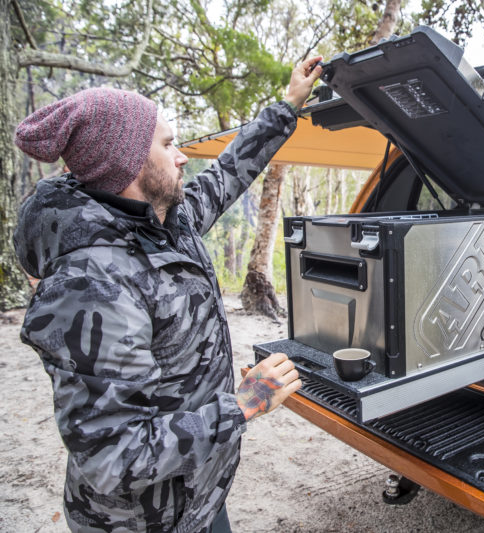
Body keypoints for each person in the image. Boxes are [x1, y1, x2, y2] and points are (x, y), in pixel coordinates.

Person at [12, 56, 323, 532]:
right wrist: (242, 404)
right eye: (168, 144)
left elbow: (225, 178)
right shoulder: (94, 287)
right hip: (143, 521)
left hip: (194, 492)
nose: (182, 156)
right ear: (130, 162)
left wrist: (287, 105)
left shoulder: (161, 219)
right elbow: (113, 458)